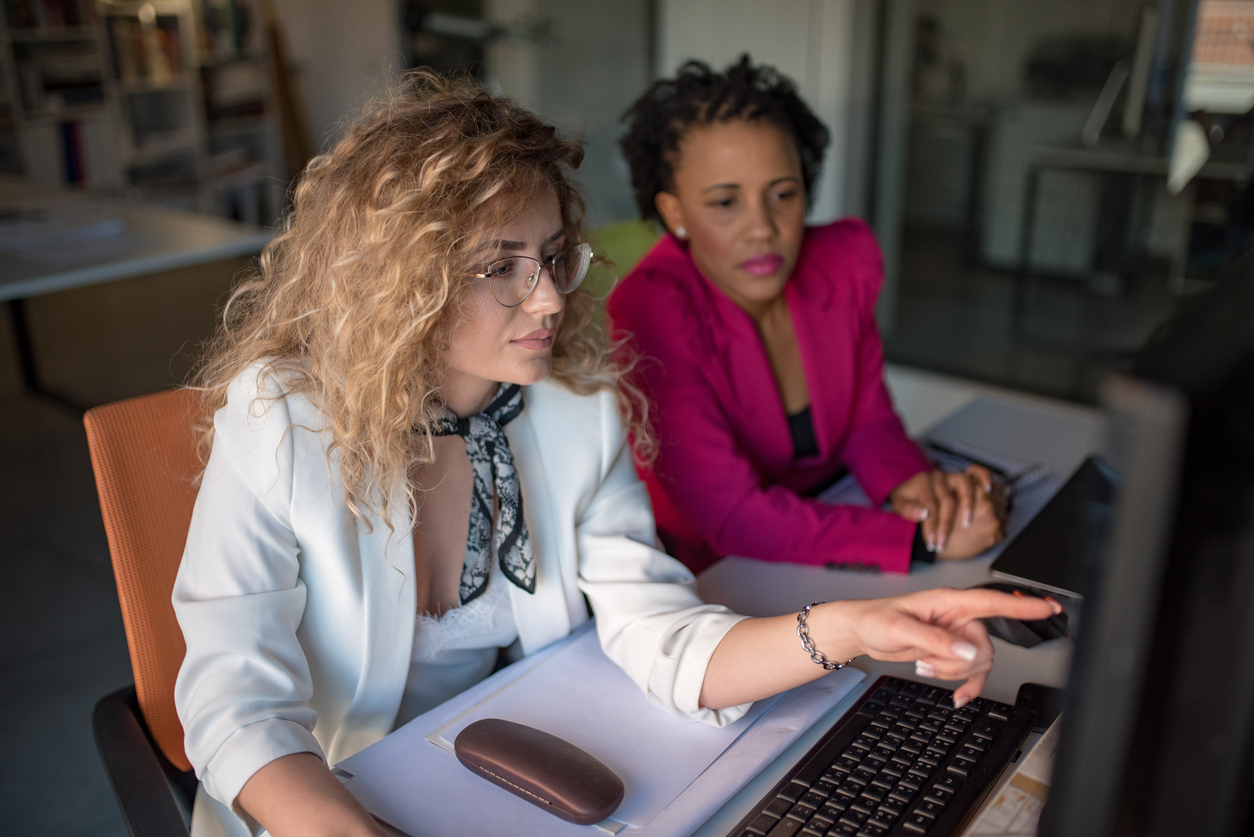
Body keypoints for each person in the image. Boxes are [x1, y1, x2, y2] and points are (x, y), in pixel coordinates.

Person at [173, 71, 1055, 837]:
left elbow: (661, 634)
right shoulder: (280, 419)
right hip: (325, 803)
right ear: (400, 279)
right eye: (503, 266)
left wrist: (850, 626)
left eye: (555, 255)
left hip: (514, 774)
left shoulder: (575, 407)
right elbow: (236, 709)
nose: (551, 297)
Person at [609, 56, 1006, 575]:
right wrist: (917, 543)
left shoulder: (840, 263)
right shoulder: (653, 309)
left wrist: (916, 489)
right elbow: (731, 516)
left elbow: (868, 421)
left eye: (783, 194)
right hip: (717, 574)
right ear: (675, 213)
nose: (762, 228)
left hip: (824, 536)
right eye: (726, 202)